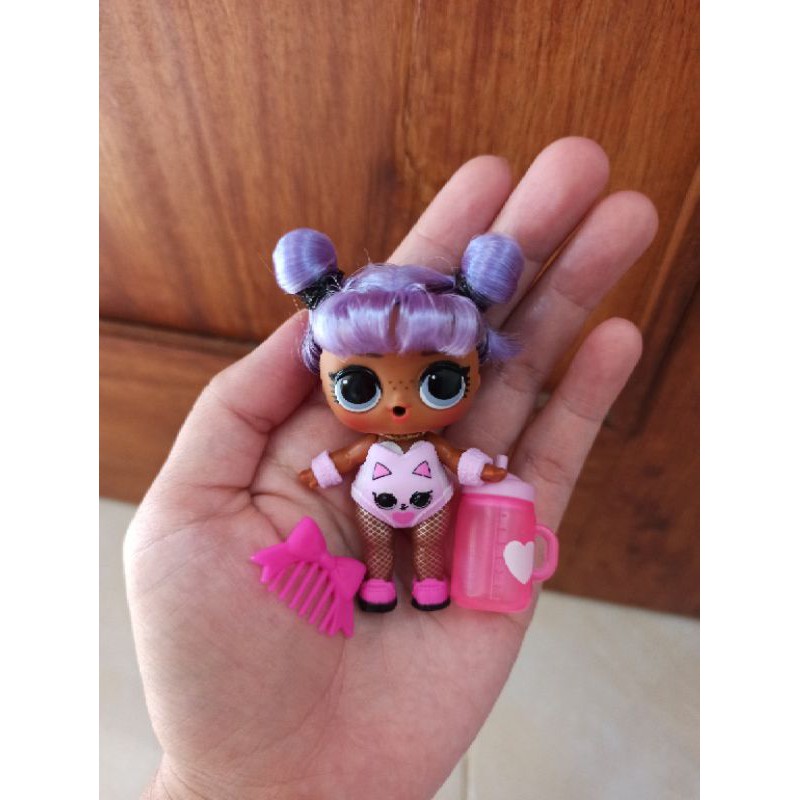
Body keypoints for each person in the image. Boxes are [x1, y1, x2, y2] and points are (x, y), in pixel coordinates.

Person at [125, 137, 657, 800]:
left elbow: (454, 458)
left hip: (431, 503)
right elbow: (345, 460)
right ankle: (379, 586)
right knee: (378, 553)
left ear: (472, 373)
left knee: (430, 550)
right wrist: (321, 474)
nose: (400, 404)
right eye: (360, 388)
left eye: (438, 382)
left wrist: (480, 470)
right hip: (372, 506)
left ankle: (428, 585)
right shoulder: (369, 449)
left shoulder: (435, 446)